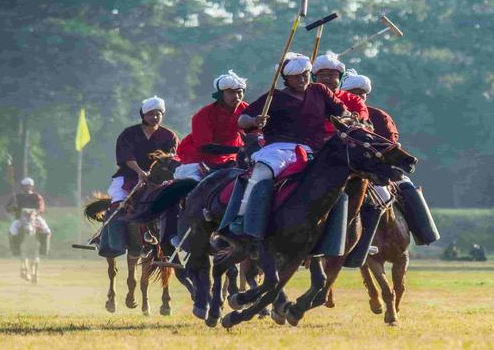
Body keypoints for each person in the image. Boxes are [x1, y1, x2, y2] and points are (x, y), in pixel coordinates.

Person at [221, 54, 348, 243]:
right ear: (286, 79)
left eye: (305, 74)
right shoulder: (273, 97)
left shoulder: (320, 90)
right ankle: (242, 215)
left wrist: (348, 119)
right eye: (297, 76)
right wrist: (255, 120)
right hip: (278, 150)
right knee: (262, 171)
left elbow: (342, 112)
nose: (303, 79)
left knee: (339, 183)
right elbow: (242, 120)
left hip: (314, 150)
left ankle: (336, 238)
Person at [340, 72, 440, 248]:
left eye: (362, 93)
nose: (359, 96)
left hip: (376, 170)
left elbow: (390, 147)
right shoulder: (336, 116)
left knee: (404, 187)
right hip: (344, 169)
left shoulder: (379, 116)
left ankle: (424, 232)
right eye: (354, 93)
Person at [174, 70, 248, 182]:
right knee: (190, 184)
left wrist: (258, 123)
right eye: (231, 93)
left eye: (240, 92)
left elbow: (257, 134)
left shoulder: (247, 110)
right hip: (198, 158)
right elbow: (205, 147)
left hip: (232, 158)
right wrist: (239, 149)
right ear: (220, 94)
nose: (237, 96)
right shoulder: (203, 115)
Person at [108, 95, 179, 204]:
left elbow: (173, 158)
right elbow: (127, 157)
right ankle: (114, 219)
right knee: (118, 200)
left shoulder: (170, 136)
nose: (154, 117)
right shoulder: (129, 133)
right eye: (150, 114)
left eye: (157, 114)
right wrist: (140, 172)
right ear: (143, 115)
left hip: (160, 179)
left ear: (162, 115)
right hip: (129, 175)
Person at [7, 177, 51, 256]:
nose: (27, 187)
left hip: (35, 218)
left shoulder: (36, 196)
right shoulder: (17, 197)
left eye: (29, 186)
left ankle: (43, 250)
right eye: (25, 186)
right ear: (22, 186)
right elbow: (8, 208)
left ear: (32, 186)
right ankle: (15, 251)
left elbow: (41, 207)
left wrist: (35, 213)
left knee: (46, 230)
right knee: (12, 231)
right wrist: (13, 207)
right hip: (20, 219)